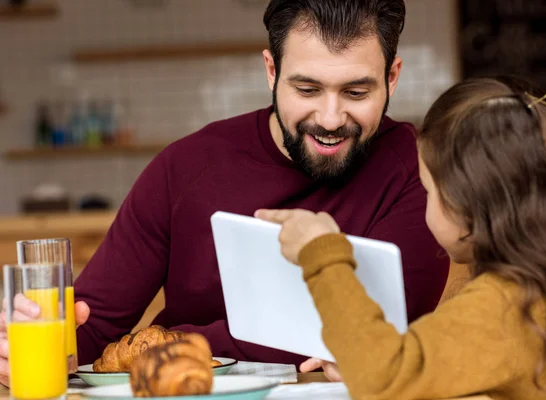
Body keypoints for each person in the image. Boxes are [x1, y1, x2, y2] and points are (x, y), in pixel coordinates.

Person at [0, 0, 449, 385]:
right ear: (271, 71)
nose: (330, 118)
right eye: (307, 88)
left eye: (355, 91)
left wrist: (172, 344)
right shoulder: (185, 167)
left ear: (392, 78)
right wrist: (26, 342)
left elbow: (370, 332)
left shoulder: (421, 171)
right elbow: (88, 329)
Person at [257, 76, 546, 399]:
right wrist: (363, 361)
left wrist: (321, 253)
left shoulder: (505, 304)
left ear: (467, 204)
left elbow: (387, 378)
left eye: (428, 190)